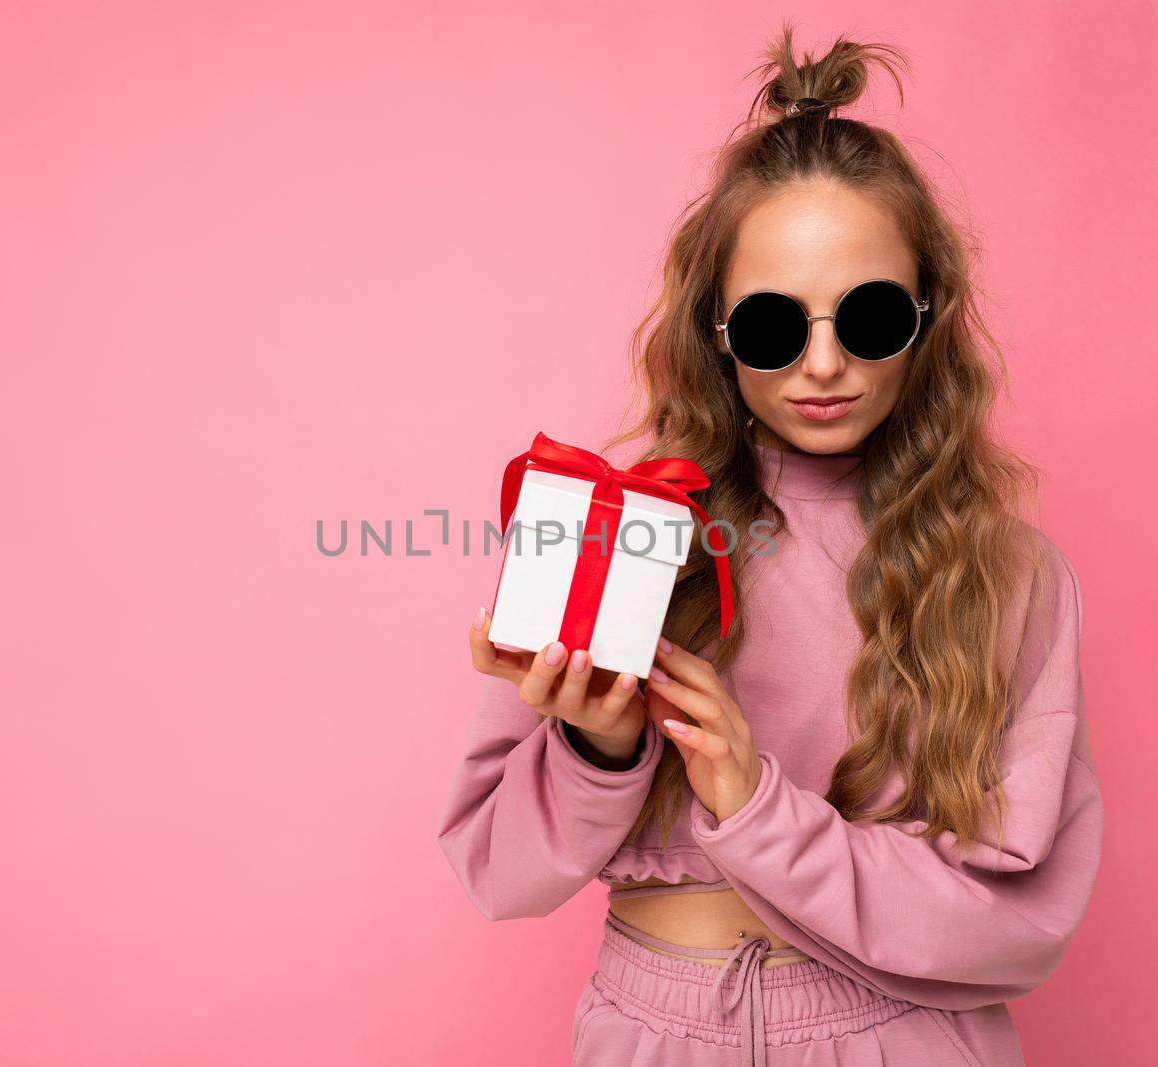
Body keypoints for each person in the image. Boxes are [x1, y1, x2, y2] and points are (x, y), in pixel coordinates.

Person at [436, 27, 1101, 1067]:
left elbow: (1019, 924)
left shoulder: (1006, 572)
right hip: (650, 1031)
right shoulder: (615, 527)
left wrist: (757, 807)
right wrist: (597, 751)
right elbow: (497, 872)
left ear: (927, 316)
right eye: (771, 327)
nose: (824, 363)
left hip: (906, 1038)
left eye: (871, 316)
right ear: (714, 329)